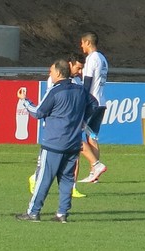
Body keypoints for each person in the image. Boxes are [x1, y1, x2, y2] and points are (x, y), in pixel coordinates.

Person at [16, 59, 97, 223]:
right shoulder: (80, 90)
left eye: (51, 71)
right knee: (67, 179)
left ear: (59, 73)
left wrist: (25, 101)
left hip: (54, 142)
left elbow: (39, 112)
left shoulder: (55, 91)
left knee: (44, 178)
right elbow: (94, 104)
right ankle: (62, 214)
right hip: (73, 143)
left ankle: (33, 212)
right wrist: (83, 121)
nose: (50, 74)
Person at [28, 52, 87, 198]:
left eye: (81, 69)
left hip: (71, 129)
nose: (80, 72)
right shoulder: (54, 81)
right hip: (56, 129)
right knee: (48, 165)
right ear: (70, 65)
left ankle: (72, 187)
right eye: (78, 68)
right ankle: (36, 180)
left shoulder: (78, 82)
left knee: (74, 158)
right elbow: (47, 107)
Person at [78, 31, 108, 183]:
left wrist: (82, 101)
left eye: (82, 42)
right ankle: (94, 174)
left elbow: (87, 82)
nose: (81, 45)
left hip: (92, 103)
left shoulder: (91, 58)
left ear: (88, 42)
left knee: (76, 134)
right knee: (93, 137)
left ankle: (95, 166)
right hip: (101, 102)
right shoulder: (103, 58)